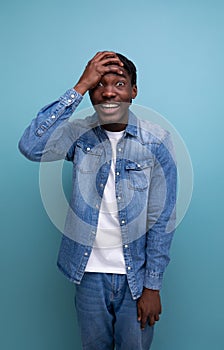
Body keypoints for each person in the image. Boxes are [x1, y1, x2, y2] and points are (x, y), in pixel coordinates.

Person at [18, 51, 177, 350]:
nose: (108, 91)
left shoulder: (157, 141)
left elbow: (162, 219)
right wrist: (77, 88)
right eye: (99, 84)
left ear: (133, 91)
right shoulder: (79, 134)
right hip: (88, 274)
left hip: (137, 277)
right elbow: (31, 146)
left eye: (119, 83)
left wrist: (152, 286)